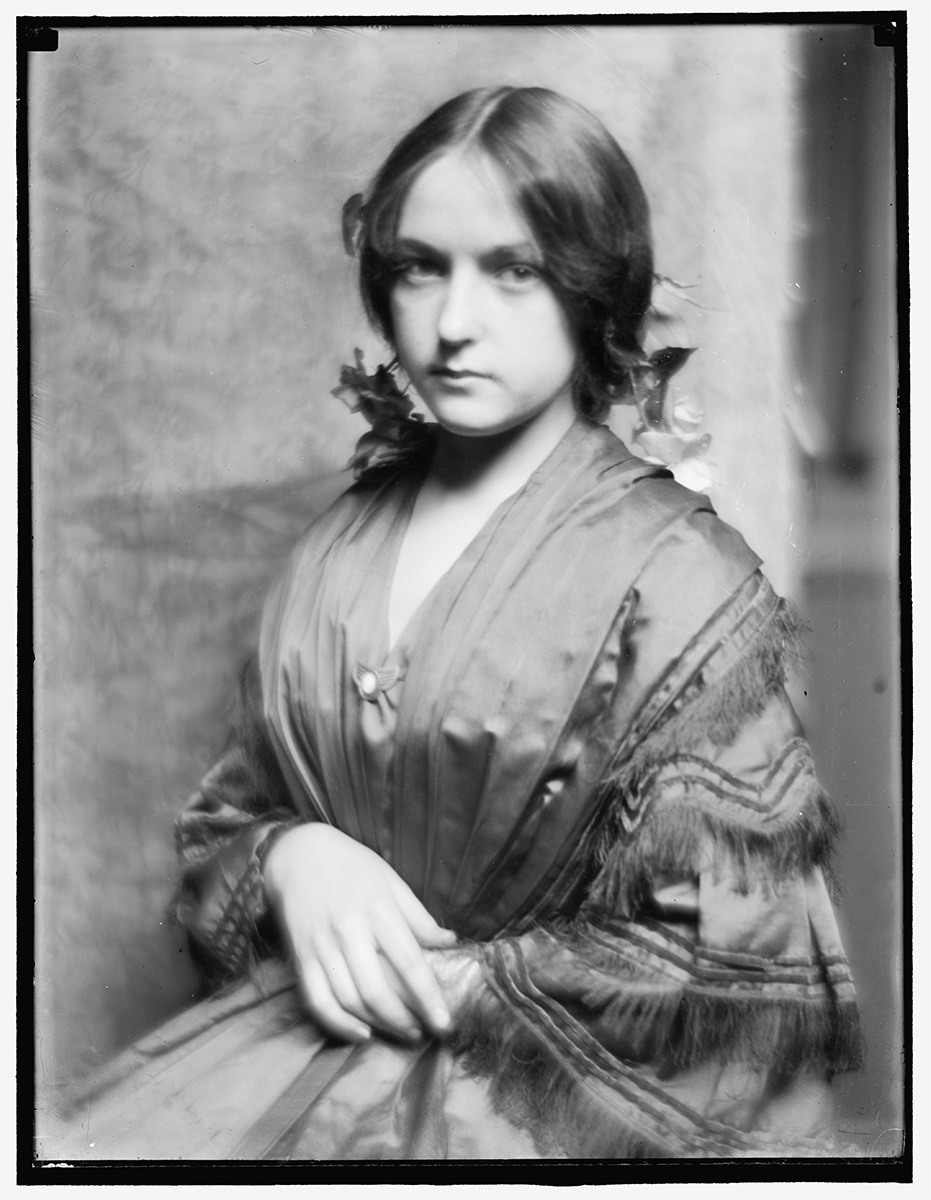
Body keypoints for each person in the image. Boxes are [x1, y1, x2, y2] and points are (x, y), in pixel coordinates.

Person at [57, 85, 861, 1160]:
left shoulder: (680, 572)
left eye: (512, 269)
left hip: (548, 1104)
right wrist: (294, 860)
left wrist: (457, 980)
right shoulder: (335, 549)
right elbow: (227, 828)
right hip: (287, 1067)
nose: (452, 322)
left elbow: (729, 968)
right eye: (419, 267)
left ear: (587, 287)